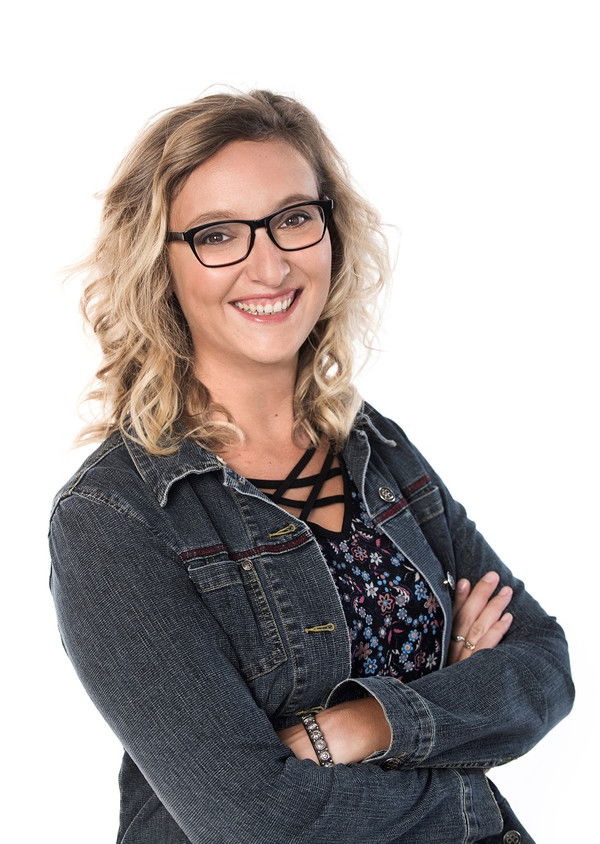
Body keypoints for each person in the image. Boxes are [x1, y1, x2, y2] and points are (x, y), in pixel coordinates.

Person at [48, 89, 574, 844]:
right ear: (159, 265)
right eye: (218, 235)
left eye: (294, 218)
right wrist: (466, 767)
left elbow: (542, 665)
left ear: (332, 230)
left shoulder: (374, 447)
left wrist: (363, 725)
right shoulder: (115, 515)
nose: (269, 265)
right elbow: (256, 818)